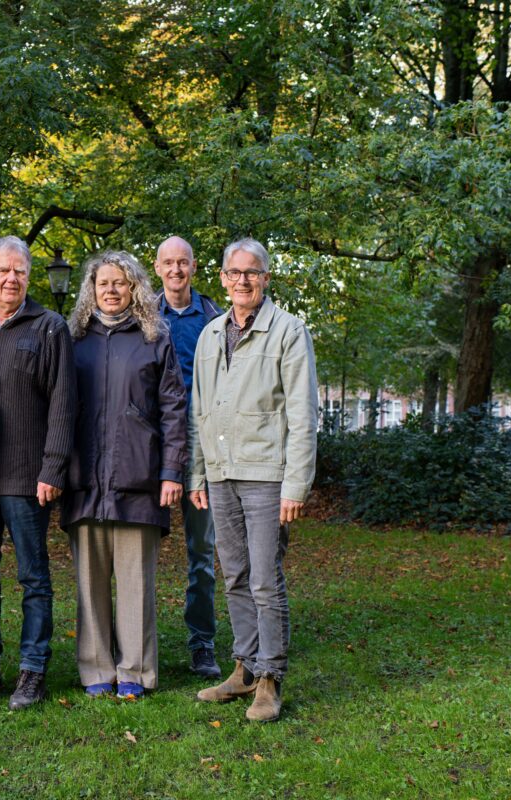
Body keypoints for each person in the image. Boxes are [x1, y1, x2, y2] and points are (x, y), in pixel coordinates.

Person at [188, 237, 318, 723]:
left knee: (266, 579)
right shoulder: (209, 335)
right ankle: (244, 667)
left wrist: (295, 485)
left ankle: (271, 678)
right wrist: (197, 472)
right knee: (236, 575)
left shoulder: (288, 331)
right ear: (222, 278)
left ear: (266, 278)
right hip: (221, 474)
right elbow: (198, 410)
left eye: (253, 272)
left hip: (267, 476)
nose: (243, 280)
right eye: (234, 272)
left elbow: (304, 414)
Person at [61, 250, 186, 699]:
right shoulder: (72, 339)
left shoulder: (155, 336)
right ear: (90, 291)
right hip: (84, 479)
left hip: (139, 476)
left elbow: (174, 408)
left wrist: (172, 471)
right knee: (89, 582)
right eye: (102, 283)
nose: (110, 290)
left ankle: (134, 670)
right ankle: (97, 670)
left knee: (136, 583)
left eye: (120, 283)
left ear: (135, 288)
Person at [0, 235, 77, 710]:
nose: (11, 278)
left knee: (33, 576)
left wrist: (53, 467)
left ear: (28, 278)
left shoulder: (50, 328)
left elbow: (64, 405)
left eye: (20, 272)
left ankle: (32, 668)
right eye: (3, 270)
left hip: (29, 477)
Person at [153, 236, 225, 681]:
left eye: (183, 262)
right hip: (155, 451)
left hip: (202, 450)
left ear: (194, 267)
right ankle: (139, 646)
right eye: (169, 263)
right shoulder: (143, 316)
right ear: (157, 268)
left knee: (201, 552)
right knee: (140, 549)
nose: (176, 270)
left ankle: (202, 643)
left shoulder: (216, 319)